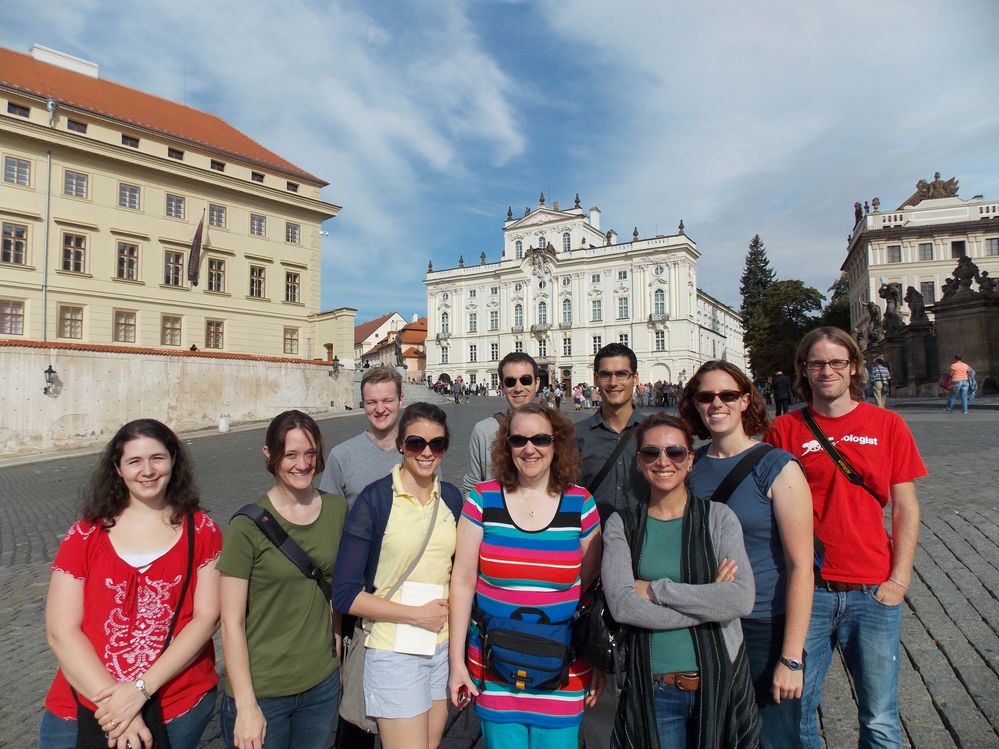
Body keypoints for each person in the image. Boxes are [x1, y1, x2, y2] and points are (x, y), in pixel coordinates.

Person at [766, 327, 926, 749]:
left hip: (872, 589)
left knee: (880, 717)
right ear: (804, 369)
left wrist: (899, 580)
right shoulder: (784, 429)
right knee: (797, 713)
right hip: (808, 591)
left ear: (853, 367)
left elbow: (906, 507)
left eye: (837, 362)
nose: (827, 370)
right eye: (817, 363)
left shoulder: (888, 425)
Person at [41, 419, 221, 749]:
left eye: (157, 458)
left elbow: (206, 618)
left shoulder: (202, 530)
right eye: (135, 461)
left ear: (173, 460)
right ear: (118, 468)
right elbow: (61, 631)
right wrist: (117, 706)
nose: (147, 471)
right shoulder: (85, 534)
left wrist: (140, 690)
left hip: (174, 703)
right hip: (84, 703)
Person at [449, 402, 603, 748]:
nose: (529, 449)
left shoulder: (580, 503)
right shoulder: (482, 500)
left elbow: (589, 585)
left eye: (541, 439)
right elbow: (462, 582)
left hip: (562, 666)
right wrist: (456, 662)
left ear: (556, 443)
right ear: (507, 447)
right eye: (519, 440)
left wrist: (597, 662)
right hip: (494, 666)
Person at [601, 413, 760, 749]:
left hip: (718, 680)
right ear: (639, 463)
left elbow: (741, 599)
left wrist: (654, 589)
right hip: (653, 685)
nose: (663, 461)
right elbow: (623, 606)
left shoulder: (719, 518)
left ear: (690, 460)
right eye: (651, 453)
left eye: (674, 452)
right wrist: (710, 602)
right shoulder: (622, 525)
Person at [679, 361, 813, 748]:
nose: (716, 404)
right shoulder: (690, 465)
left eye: (728, 395)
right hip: (707, 623)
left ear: (745, 400)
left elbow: (801, 566)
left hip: (763, 625)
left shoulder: (777, 466)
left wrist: (791, 657)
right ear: (695, 404)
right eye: (706, 396)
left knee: (773, 738)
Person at [332, 403, 463, 749]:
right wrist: (415, 615)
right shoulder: (375, 500)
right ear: (401, 445)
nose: (427, 453)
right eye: (417, 443)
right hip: (393, 650)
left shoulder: (450, 498)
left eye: (437, 444)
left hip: (440, 647)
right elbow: (344, 594)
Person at [218, 410, 349, 749]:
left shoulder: (336, 510)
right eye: (291, 454)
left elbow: (333, 591)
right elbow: (230, 622)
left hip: (320, 683)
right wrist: (246, 705)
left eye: (310, 453)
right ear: (269, 455)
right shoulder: (246, 526)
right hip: (264, 690)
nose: (302, 464)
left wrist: (335, 655)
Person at [575, 343, 647, 747]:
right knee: (595, 662)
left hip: (645, 565)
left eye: (622, 374)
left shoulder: (654, 433)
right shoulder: (578, 437)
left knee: (643, 667)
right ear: (596, 379)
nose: (614, 381)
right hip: (593, 565)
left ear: (635, 378)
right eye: (606, 374)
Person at [320, 366, 404, 507]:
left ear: (400, 400)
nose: (380, 409)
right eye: (372, 402)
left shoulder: (423, 450)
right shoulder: (341, 456)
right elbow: (329, 513)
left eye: (387, 401)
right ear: (363, 404)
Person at [461, 352, 540, 497]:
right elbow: (471, 487)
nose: (518, 388)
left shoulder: (555, 429)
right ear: (502, 386)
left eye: (526, 380)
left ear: (537, 383)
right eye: (510, 382)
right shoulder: (484, 431)